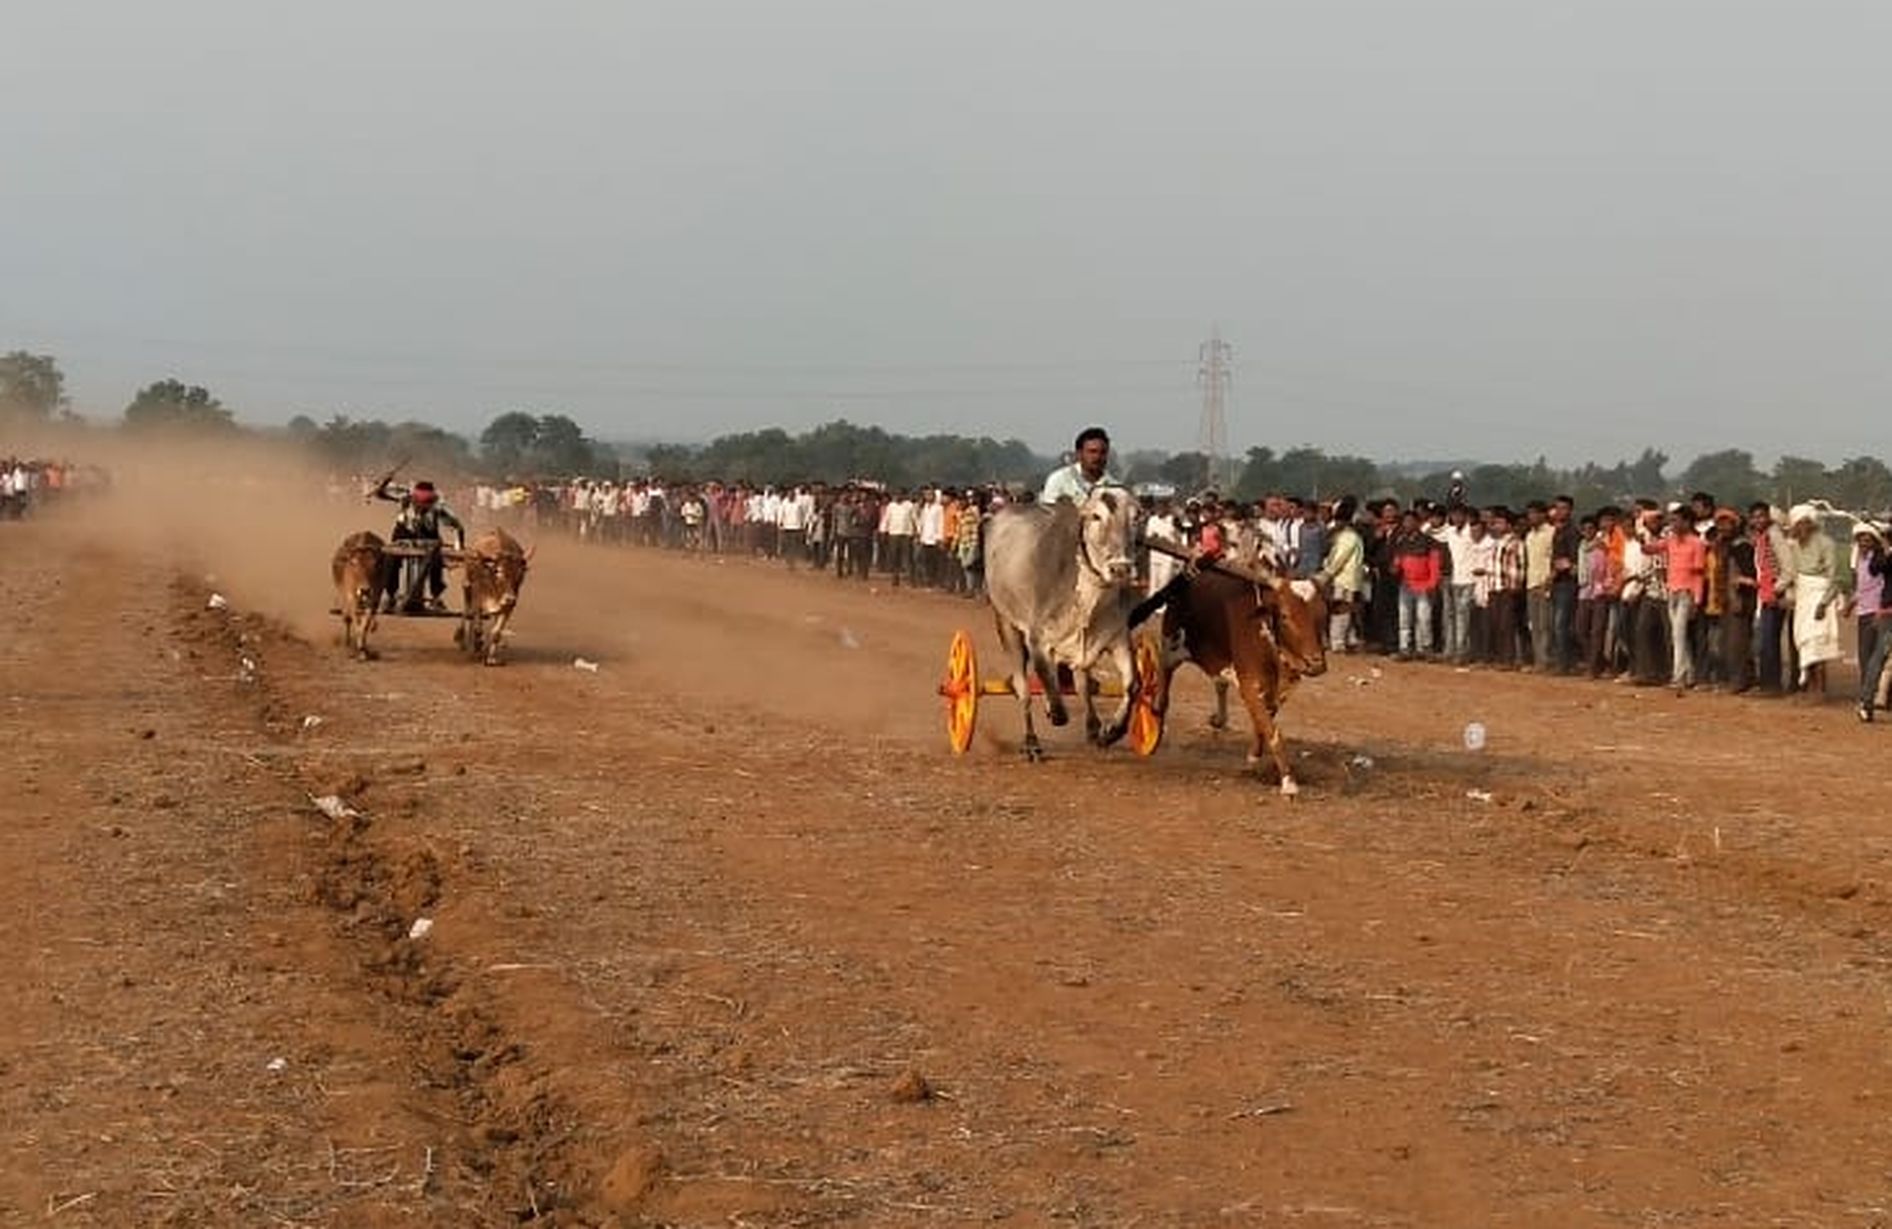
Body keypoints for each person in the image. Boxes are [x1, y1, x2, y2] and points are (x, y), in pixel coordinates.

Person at [372, 477, 465, 613]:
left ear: (432, 500)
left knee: (436, 561)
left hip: (429, 538)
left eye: (426, 503)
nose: (422, 506)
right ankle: (390, 595)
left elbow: (457, 527)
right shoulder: (405, 497)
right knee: (391, 560)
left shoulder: (439, 506)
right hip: (403, 535)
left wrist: (458, 547)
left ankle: (436, 596)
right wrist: (383, 484)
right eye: (418, 502)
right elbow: (380, 494)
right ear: (414, 498)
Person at [1040, 427, 1121, 505]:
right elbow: (1048, 511)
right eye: (1092, 451)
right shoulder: (1059, 480)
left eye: (1103, 452)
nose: (1097, 457)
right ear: (1079, 453)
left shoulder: (1115, 489)